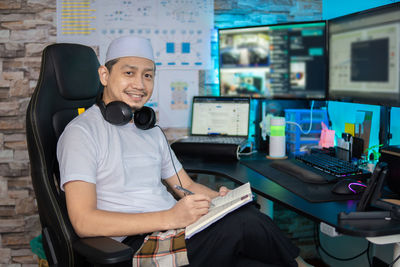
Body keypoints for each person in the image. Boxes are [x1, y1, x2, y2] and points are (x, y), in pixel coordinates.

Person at [57, 36, 311, 267]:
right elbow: (84, 222)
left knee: (247, 226)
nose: (139, 84)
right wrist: (170, 217)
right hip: (133, 247)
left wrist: (221, 200)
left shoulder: (149, 129)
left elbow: (184, 185)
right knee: (245, 224)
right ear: (104, 75)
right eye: (129, 73)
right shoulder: (81, 133)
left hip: (174, 231)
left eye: (148, 75)